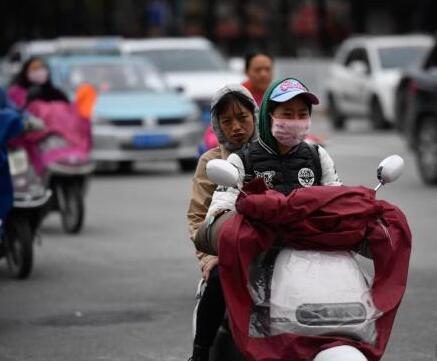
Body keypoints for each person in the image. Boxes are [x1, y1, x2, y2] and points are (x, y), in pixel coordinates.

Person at [187, 84, 258, 361]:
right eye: (227, 121)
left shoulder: (273, 151)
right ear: (216, 125)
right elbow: (197, 217)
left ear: (255, 115)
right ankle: (200, 351)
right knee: (218, 279)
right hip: (227, 250)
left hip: (273, 247)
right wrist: (208, 257)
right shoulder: (210, 161)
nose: (236, 127)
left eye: (242, 117)